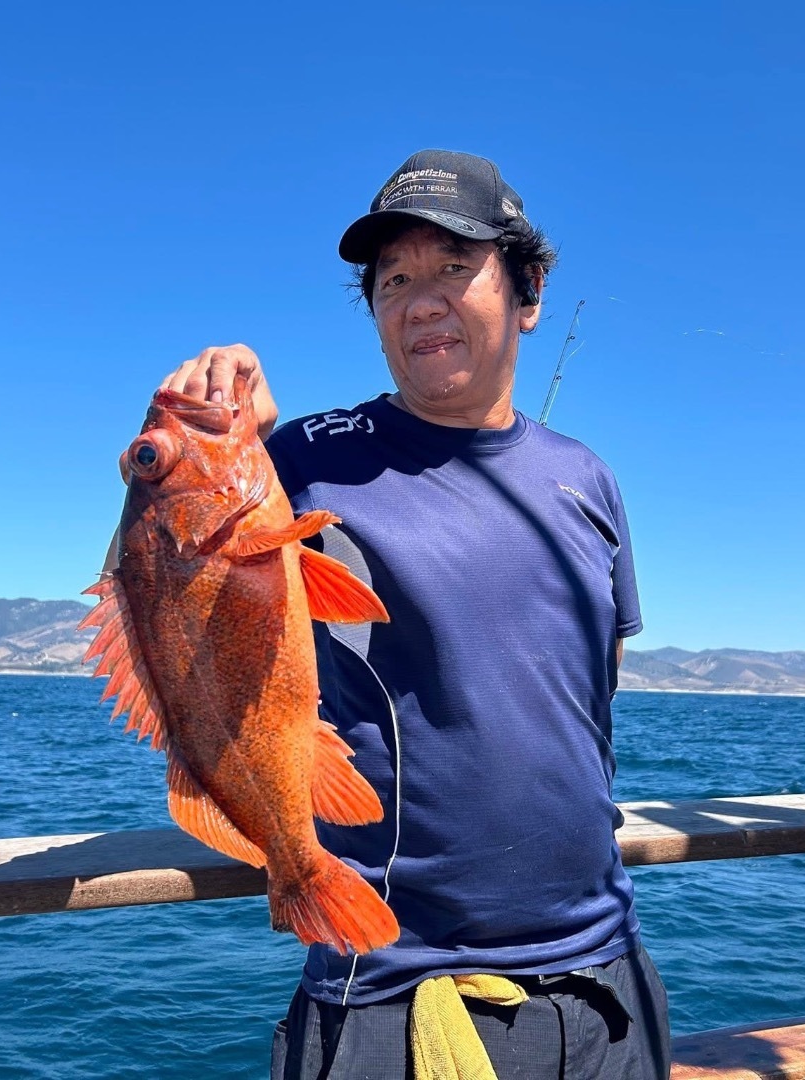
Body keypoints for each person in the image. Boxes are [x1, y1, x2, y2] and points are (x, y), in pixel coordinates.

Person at [159, 150, 669, 1079]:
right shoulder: (306, 461)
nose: (420, 302)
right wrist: (214, 434)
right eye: (394, 281)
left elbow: (596, 693)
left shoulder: (588, 478)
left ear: (529, 292)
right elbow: (169, 577)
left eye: (454, 267)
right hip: (394, 989)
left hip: (608, 977)